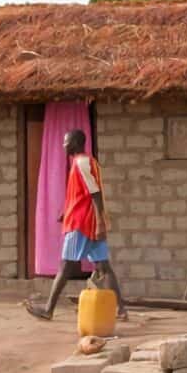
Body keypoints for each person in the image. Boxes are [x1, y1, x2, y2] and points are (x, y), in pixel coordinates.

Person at [26, 129, 125, 321]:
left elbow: (94, 192)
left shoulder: (81, 163)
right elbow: (82, 195)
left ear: (76, 143)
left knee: (64, 267)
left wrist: (99, 223)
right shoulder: (85, 162)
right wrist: (67, 211)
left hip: (81, 224)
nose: (63, 145)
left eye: (66, 142)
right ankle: (121, 309)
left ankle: (48, 309)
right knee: (104, 266)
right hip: (87, 220)